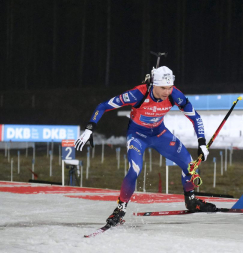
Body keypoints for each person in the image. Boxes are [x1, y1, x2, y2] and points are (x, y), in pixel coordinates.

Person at [74, 66, 216, 226]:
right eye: (163, 88)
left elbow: (195, 117)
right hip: (137, 135)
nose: (167, 92)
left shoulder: (175, 95)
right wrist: (89, 129)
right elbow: (103, 106)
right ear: (153, 84)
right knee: (135, 169)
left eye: (169, 88)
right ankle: (120, 209)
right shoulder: (137, 94)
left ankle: (191, 200)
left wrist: (202, 142)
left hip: (160, 134)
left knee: (190, 165)